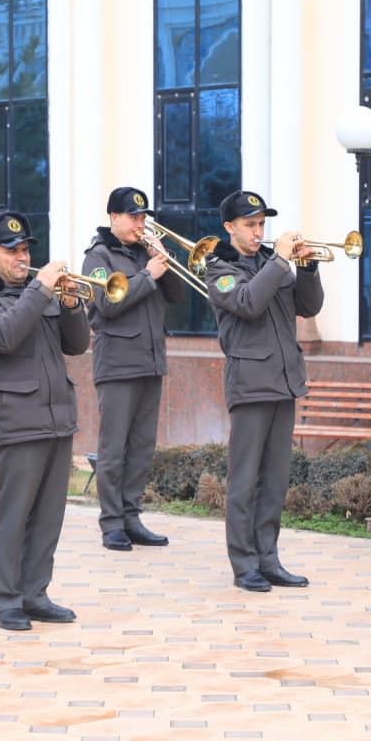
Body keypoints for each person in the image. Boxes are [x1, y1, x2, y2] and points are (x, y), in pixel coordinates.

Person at [0, 211, 90, 631]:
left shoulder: (44, 295)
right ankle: (5, 601)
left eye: (25, 249)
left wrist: (71, 305)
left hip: (56, 417)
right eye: (11, 251)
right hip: (16, 420)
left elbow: (77, 344)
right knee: (12, 515)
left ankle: (35, 593)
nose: (22, 257)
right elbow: (4, 336)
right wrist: (41, 289)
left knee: (48, 515)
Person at [205, 190, 323, 592]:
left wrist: (306, 268)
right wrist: (280, 260)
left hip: (283, 379)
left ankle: (268, 558)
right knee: (245, 479)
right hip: (251, 383)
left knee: (275, 479)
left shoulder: (274, 264)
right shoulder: (219, 267)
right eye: (250, 225)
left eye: (261, 225)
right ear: (229, 227)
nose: (258, 232)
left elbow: (308, 307)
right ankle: (244, 564)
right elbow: (249, 302)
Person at [81, 187, 184, 552]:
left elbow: (178, 296)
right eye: (133, 217)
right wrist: (148, 276)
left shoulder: (147, 254)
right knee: (114, 448)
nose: (140, 224)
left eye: (143, 218)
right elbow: (107, 303)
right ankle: (111, 523)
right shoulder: (98, 256)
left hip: (150, 359)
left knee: (141, 446)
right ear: (113, 217)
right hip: (117, 363)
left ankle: (131, 515)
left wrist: (162, 259)